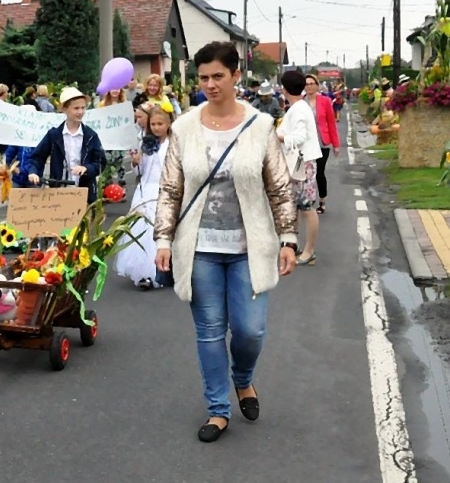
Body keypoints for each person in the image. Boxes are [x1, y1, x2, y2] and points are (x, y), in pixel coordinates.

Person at [154, 41, 298, 443]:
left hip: (250, 249)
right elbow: (170, 189)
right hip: (199, 248)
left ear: (236, 75)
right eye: (203, 78)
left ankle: (243, 378)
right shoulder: (183, 127)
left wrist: (288, 238)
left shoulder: (260, 126)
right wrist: (163, 238)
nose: (210, 85)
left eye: (218, 76)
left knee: (250, 331)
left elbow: (280, 188)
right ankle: (218, 409)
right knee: (210, 332)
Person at [115, 104, 173, 289]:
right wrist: (136, 163)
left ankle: (166, 269)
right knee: (144, 231)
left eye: (160, 124)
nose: (156, 128)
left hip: (166, 190)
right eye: (153, 124)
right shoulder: (146, 143)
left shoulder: (174, 143)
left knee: (162, 231)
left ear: (168, 123)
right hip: (146, 190)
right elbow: (141, 170)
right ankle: (145, 272)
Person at [25, 87, 106, 202]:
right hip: (59, 193)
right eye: (76, 108)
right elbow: (38, 157)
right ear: (64, 109)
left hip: (84, 192)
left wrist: (86, 168)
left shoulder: (90, 135)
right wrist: (33, 172)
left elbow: (100, 162)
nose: (80, 112)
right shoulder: (54, 135)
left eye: (83, 108)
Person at [279, 69, 323, 265]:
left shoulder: (298, 110)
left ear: (284, 89)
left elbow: (299, 137)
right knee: (297, 206)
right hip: (297, 163)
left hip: (302, 163)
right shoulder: (297, 108)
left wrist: (278, 137)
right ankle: (294, 245)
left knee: (306, 207)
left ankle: (309, 250)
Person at [306, 73, 342, 214]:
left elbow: (331, 123)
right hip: (307, 143)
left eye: (311, 84)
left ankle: (322, 201)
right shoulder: (301, 102)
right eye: (307, 84)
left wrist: (336, 144)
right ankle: (309, 199)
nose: (309, 86)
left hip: (322, 142)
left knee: (319, 172)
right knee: (307, 173)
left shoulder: (325, 101)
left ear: (317, 85)